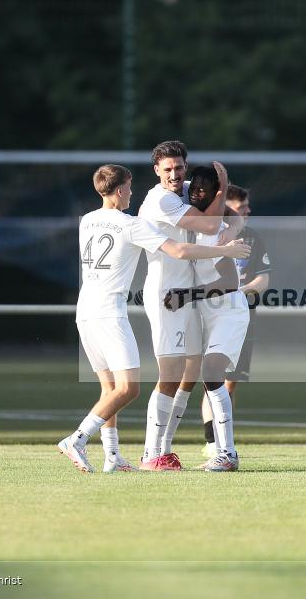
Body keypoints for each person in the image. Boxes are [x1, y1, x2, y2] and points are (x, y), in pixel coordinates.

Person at [57, 164, 249, 474]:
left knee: (109, 390)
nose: (132, 193)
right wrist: (226, 250)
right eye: (129, 187)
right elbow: (179, 250)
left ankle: (113, 457)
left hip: (85, 309)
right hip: (109, 312)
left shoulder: (87, 221)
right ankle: (77, 439)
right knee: (128, 389)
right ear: (120, 190)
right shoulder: (131, 224)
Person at [136, 141, 242, 471]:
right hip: (167, 293)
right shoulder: (161, 199)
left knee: (192, 372)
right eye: (167, 169)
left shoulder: (186, 189)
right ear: (156, 171)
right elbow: (205, 231)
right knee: (170, 373)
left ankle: (173, 451)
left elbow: (233, 218)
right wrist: (226, 243)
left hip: (193, 297)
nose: (175, 175)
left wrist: (231, 233)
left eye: (179, 168)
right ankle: (153, 453)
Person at [163, 166, 250, 471]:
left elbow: (227, 283)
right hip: (204, 313)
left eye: (204, 188)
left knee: (213, 373)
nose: (196, 191)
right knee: (189, 376)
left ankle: (227, 453)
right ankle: (163, 450)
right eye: (194, 187)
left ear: (215, 193)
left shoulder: (221, 230)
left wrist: (186, 296)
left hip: (228, 311)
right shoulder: (193, 216)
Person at [201, 184, 271, 459]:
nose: (247, 211)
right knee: (203, 377)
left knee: (229, 382)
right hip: (207, 313)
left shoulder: (253, 238)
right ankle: (211, 442)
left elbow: (264, 280)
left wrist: (236, 294)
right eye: (241, 208)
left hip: (241, 317)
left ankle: (221, 441)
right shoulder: (206, 234)